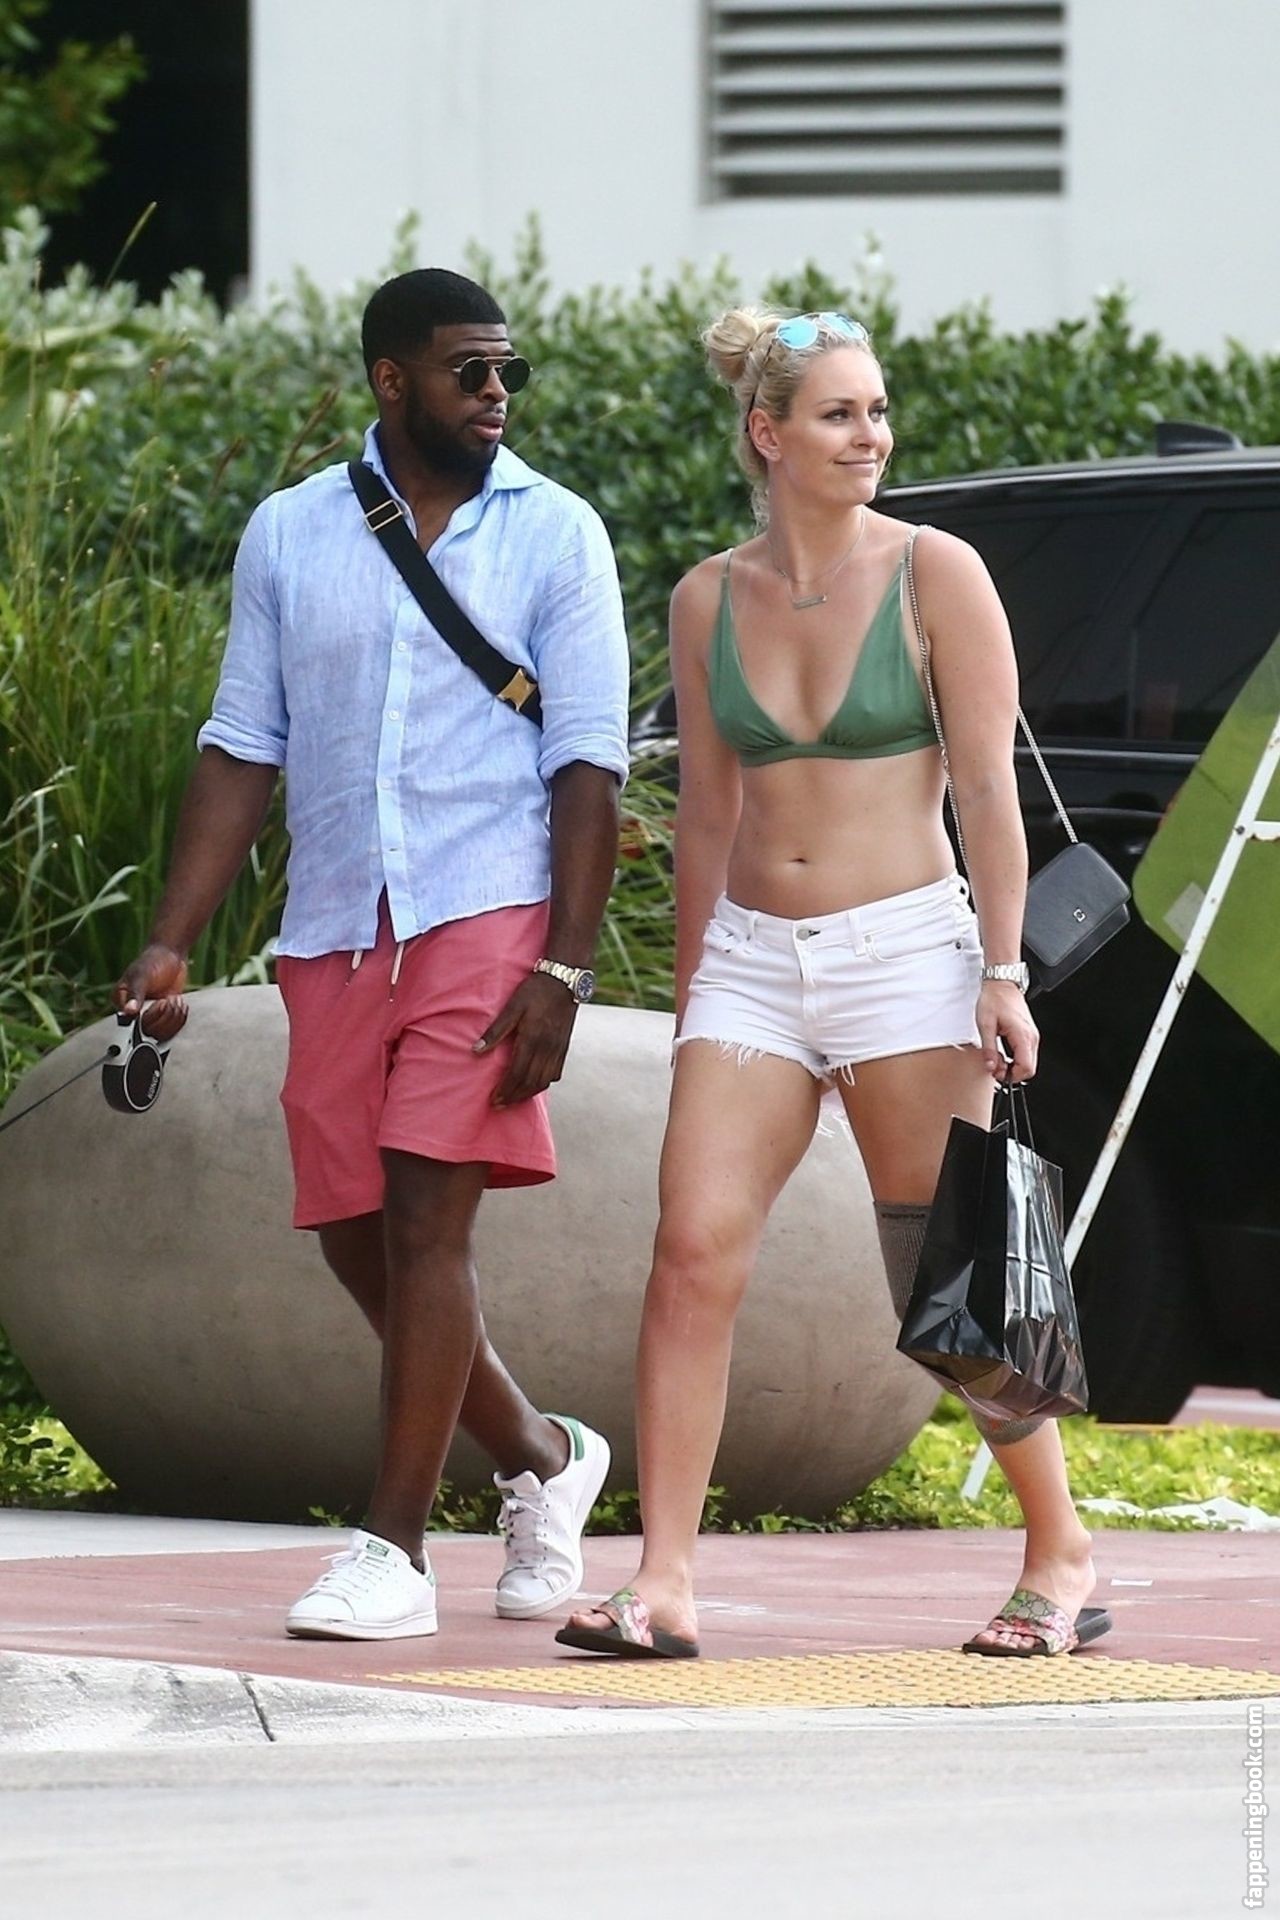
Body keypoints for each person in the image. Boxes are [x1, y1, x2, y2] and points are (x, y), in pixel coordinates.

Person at [559, 307, 1109, 1662]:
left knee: (945, 1270)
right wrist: (697, 994)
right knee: (691, 1252)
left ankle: (1061, 1550)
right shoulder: (707, 597)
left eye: (876, 412)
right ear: (768, 433)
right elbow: (706, 813)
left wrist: (1002, 972)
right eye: (840, 414)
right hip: (753, 964)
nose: (873, 436)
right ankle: (663, 1581)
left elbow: (988, 792)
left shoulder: (937, 574)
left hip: (906, 956)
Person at [117, 268, 630, 1641]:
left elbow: (588, 763)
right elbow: (243, 743)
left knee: (423, 1221)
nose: (497, 394)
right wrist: (169, 941)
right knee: (353, 1234)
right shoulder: (291, 532)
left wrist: (564, 969)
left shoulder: (558, 533)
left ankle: (392, 1549)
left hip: (489, 910)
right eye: (470, 370)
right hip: (340, 925)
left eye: (508, 370)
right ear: (392, 379)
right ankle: (541, 1454)